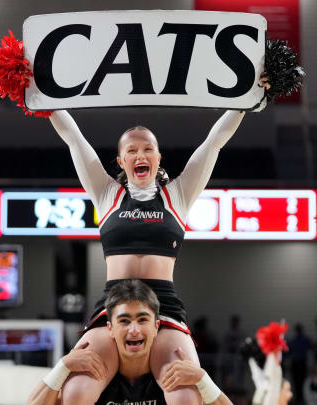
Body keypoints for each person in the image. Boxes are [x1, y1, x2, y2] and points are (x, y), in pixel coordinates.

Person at [50, 74, 270, 405]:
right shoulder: (107, 193)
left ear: (158, 157)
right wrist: (38, 96)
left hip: (163, 307)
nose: (141, 154)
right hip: (114, 307)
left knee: (184, 395)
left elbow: (214, 142)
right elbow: (73, 138)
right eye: (132, 150)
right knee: (76, 392)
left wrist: (248, 98)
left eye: (148, 148)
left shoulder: (177, 195)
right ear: (121, 161)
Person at [27, 280, 233, 405]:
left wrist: (202, 379)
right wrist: (62, 366)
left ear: (156, 327)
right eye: (124, 321)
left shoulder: (173, 376)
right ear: (110, 328)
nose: (134, 330)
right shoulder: (93, 378)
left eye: (142, 320)